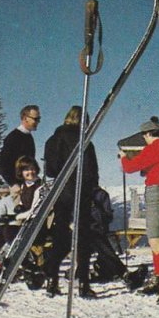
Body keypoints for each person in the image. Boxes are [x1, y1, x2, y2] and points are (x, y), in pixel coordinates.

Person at [119, 116, 159, 304]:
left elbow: (130, 167)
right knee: (156, 241)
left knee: (156, 243)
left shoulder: (154, 148)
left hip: (154, 194)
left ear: (149, 133)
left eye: (144, 135)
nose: (143, 138)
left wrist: (123, 158)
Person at [44, 106, 99, 298]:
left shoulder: (53, 139)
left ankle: (52, 279)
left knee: (60, 234)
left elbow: (50, 170)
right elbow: (92, 170)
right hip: (81, 191)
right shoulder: (85, 142)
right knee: (83, 235)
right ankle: (83, 282)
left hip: (62, 191)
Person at [90, 186, 127, 282]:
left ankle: (117, 270)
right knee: (99, 242)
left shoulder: (101, 195)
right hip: (85, 229)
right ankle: (121, 270)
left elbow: (108, 216)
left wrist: (95, 211)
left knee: (100, 241)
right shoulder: (77, 195)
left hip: (97, 229)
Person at [0, 105, 41, 186]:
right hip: (17, 187)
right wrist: (13, 183)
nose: (38, 122)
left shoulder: (28, 137)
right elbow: (2, 164)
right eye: (35, 119)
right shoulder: (13, 137)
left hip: (26, 185)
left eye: (39, 119)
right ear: (25, 118)